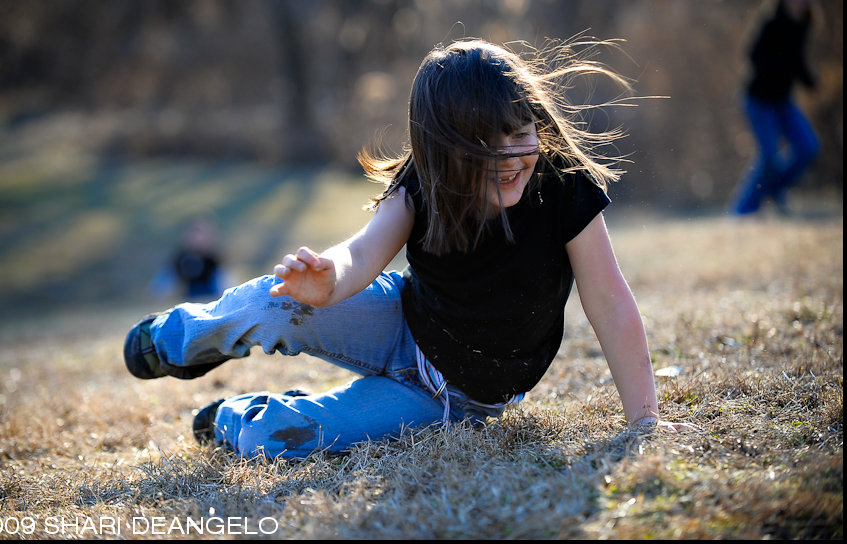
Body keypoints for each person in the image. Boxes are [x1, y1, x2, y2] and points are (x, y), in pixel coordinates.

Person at [124, 39, 697, 459]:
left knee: (272, 441)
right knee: (275, 300)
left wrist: (643, 422)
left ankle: (234, 420)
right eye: (482, 145)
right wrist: (329, 281)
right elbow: (361, 254)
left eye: (519, 134)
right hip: (399, 321)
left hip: (455, 398)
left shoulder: (561, 184)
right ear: (440, 150)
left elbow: (611, 303)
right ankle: (179, 338)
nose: (510, 158)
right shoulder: (423, 186)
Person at [731, 0, 822, 215]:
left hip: (783, 99)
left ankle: (775, 188)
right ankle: (743, 209)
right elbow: (752, 56)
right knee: (768, 155)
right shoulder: (771, 22)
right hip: (759, 99)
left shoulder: (804, 22)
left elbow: (799, 60)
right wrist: (780, 66)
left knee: (808, 147)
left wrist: (810, 80)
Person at [148, 215, 229, 302]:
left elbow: (226, 291)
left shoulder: (215, 262)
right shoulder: (178, 261)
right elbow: (157, 293)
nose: (197, 238)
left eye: (202, 233)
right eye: (193, 233)